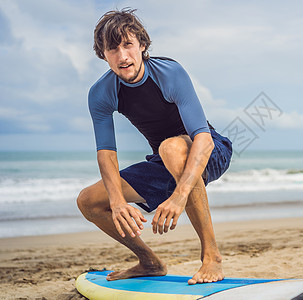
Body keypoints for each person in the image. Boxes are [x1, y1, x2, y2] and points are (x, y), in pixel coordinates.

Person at [76, 8, 232, 285]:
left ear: (142, 45)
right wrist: (117, 201)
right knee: (88, 201)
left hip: (210, 151)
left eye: (127, 45)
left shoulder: (169, 73)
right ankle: (149, 262)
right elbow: (106, 154)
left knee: (171, 147)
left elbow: (203, 139)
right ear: (103, 54)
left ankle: (211, 257)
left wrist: (178, 197)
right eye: (112, 49)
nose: (122, 56)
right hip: (164, 161)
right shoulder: (101, 93)